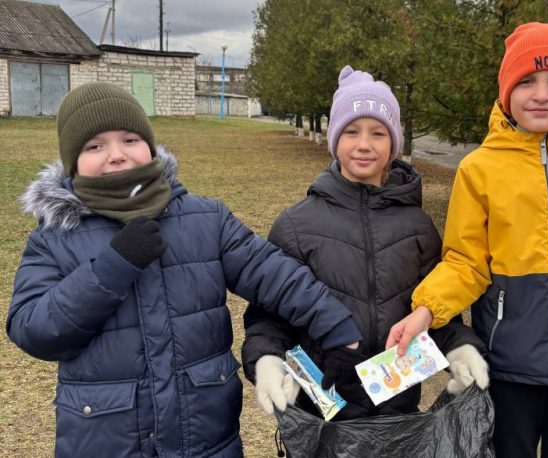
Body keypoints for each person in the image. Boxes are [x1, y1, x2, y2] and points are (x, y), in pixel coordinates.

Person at [5, 82, 363, 457]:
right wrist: (111, 268)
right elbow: (32, 328)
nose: (116, 155)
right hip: (106, 441)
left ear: (149, 145)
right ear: (73, 161)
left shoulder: (205, 218)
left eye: (129, 140)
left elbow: (273, 274)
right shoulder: (55, 237)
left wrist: (333, 323)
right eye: (95, 146)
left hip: (207, 439)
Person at [386, 23, 548, 457]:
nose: (541, 94)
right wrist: (426, 310)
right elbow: (466, 262)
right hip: (508, 368)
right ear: (507, 91)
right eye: (526, 81)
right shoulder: (479, 168)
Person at [242, 65, 488, 421]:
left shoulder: (418, 227)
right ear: (335, 137)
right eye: (351, 131)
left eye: (378, 133)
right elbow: (270, 316)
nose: (364, 144)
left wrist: (460, 349)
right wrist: (268, 359)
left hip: (398, 417)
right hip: (321, 419)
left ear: (393, 143)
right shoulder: (296, 226)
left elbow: (434, 313)